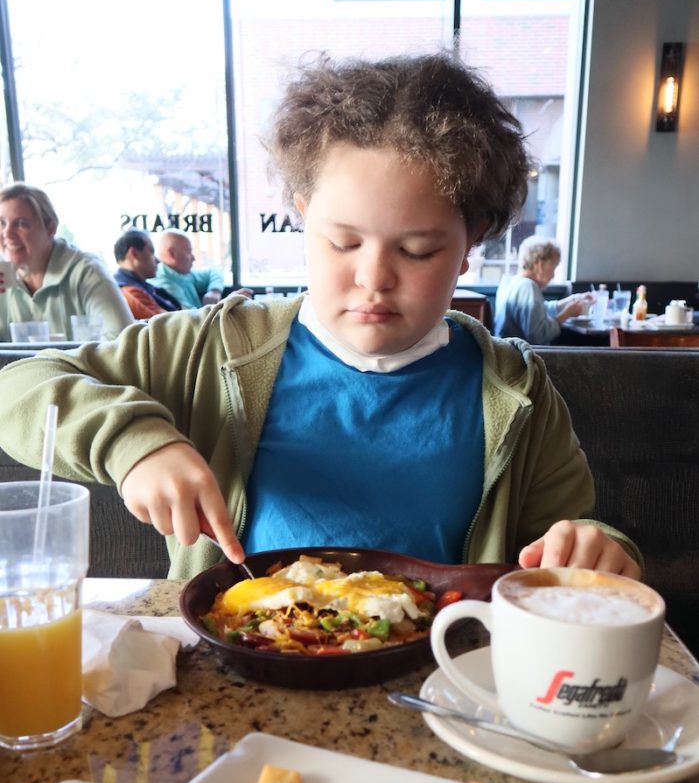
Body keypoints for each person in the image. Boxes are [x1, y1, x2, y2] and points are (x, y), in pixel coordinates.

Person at [0, 53, 640, 583]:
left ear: (470, 239)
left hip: (440, 690)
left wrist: (596, 547)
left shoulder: (515, 390)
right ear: (304, 214)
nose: (374, 277)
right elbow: (19, 388)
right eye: (343, 242)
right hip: (238, 689)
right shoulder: (209, 347)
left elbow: (571, 541)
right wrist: (132, 443)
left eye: (417, 251)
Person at [0, 183, 134, 341]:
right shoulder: (4, 279)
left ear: (50, 229)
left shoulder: (87, 271)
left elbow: (123, 341)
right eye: (1, 223)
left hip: (77, 367)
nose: (7, 234)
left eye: (21, 224)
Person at [494, 236, 594, 344]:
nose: (553, 275)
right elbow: (538, 337)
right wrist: (566, 314)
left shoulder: (510, 282)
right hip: (519, 357)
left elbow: (540, 310)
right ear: (541, 265)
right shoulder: (528, 287)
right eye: (553, 267)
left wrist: (572, 300)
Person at [114, 229, 181, 320]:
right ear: (134, 254)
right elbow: (170, 326)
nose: (158, 261)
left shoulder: (141, 287)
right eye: (152, 252)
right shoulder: (130, 293)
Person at [154, 229, 224, 309]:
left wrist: (215, 290)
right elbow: (192, 318)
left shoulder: (182, 273)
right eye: (188, 251)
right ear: (172, 254)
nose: (194, 258)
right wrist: (226, 304)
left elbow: (214, 271)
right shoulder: (164, 286)